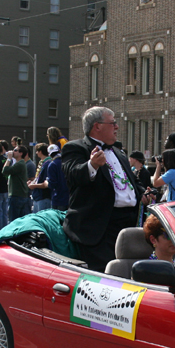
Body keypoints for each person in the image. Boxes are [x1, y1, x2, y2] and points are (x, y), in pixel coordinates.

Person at [62, 106, 149, 272]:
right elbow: (73, 175)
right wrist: (92, 165)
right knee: (105, 276)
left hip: (128, 226)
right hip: (99, 228)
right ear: (97, 126)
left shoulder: (119, 152)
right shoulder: (76, 148)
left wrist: (143, 192)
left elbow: (132, 181)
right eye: (113, 123)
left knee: (130, 273)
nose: (117, 127)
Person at [3, 145, 31, 221]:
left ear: (21, 153)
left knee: (13, 220)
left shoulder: (20, 164)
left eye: (15, 150)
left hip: (16, 196)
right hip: (20, 195)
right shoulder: (19, 163)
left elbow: (5, 171)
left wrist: (9, 159)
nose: (13, 151)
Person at [29, 143, 53, 212]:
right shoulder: (41, 163)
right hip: (37, 196)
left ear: (40, 151)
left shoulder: (48, 164)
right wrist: (32, 182)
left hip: (43, 197)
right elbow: (38, 178)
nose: (36, 153)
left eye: (37, 151)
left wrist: (34, 186)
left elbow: (46, 183)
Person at [46, 144, 69, 211]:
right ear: (59, 151)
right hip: (69, 197)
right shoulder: (67, 162)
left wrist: (46, 182)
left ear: (50, 155)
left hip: (58, 199)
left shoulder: (52, 165)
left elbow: (52, 184)